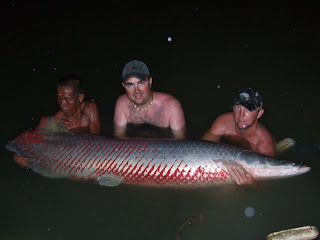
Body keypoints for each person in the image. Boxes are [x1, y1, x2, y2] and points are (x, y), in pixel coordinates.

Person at [13, 74, 101, 168]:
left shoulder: (89, 109)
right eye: (59, 99)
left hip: (85, 154)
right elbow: (36, 138)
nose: (62, 105)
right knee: (18, 158)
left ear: (80, 98)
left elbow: (96, 141)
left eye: (67, 100)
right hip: (68, 155)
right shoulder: (58, 120)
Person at [202, 88, 276, 185]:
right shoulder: (223, 122)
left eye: (249, 108)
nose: (241, 115)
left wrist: (251, 183)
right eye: (238, 108)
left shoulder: (264, 144)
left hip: (251, 159)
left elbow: (266, 185)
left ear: (259, 113)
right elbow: (202, 148)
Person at [113, 60, 186, 139]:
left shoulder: (171, 105)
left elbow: (180, 143)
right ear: (123, 85)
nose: (137, 91)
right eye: (130, 85)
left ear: (150, 81)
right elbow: (118, 140)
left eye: (141, 83)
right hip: (134, 149)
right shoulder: (122, 103)